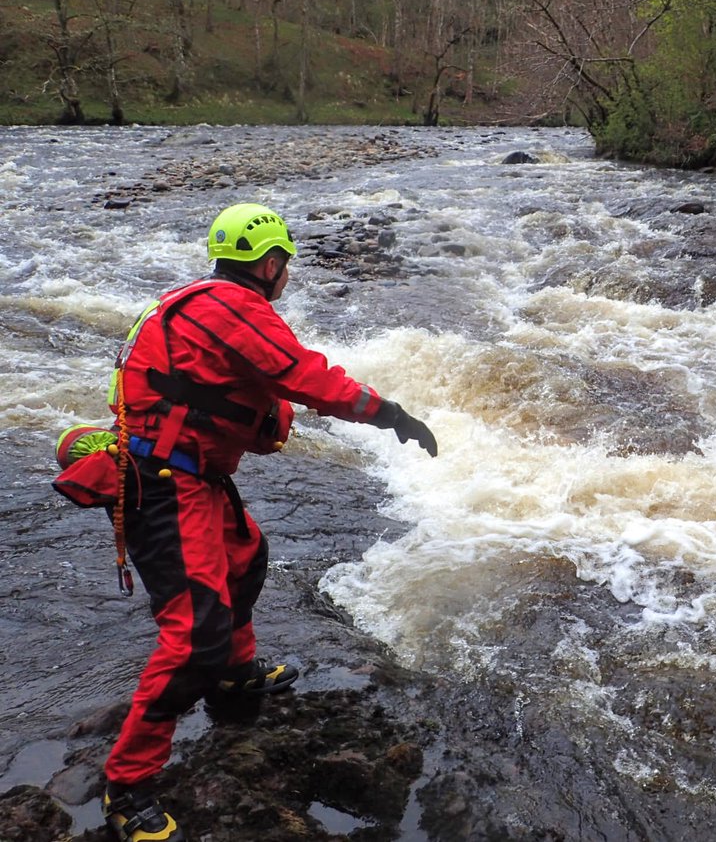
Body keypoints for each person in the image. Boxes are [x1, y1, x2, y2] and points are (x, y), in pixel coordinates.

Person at [51, 203, 437, 842]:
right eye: (284, 264)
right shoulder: (235, 308)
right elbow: (306, 377)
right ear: (269, 262)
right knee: (193, 635)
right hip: (166, 486)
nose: (286, 276)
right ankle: (128, 785)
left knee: (245, 558)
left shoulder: (203, 301)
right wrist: (388, 413)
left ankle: (234, 675)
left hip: (189, 475)